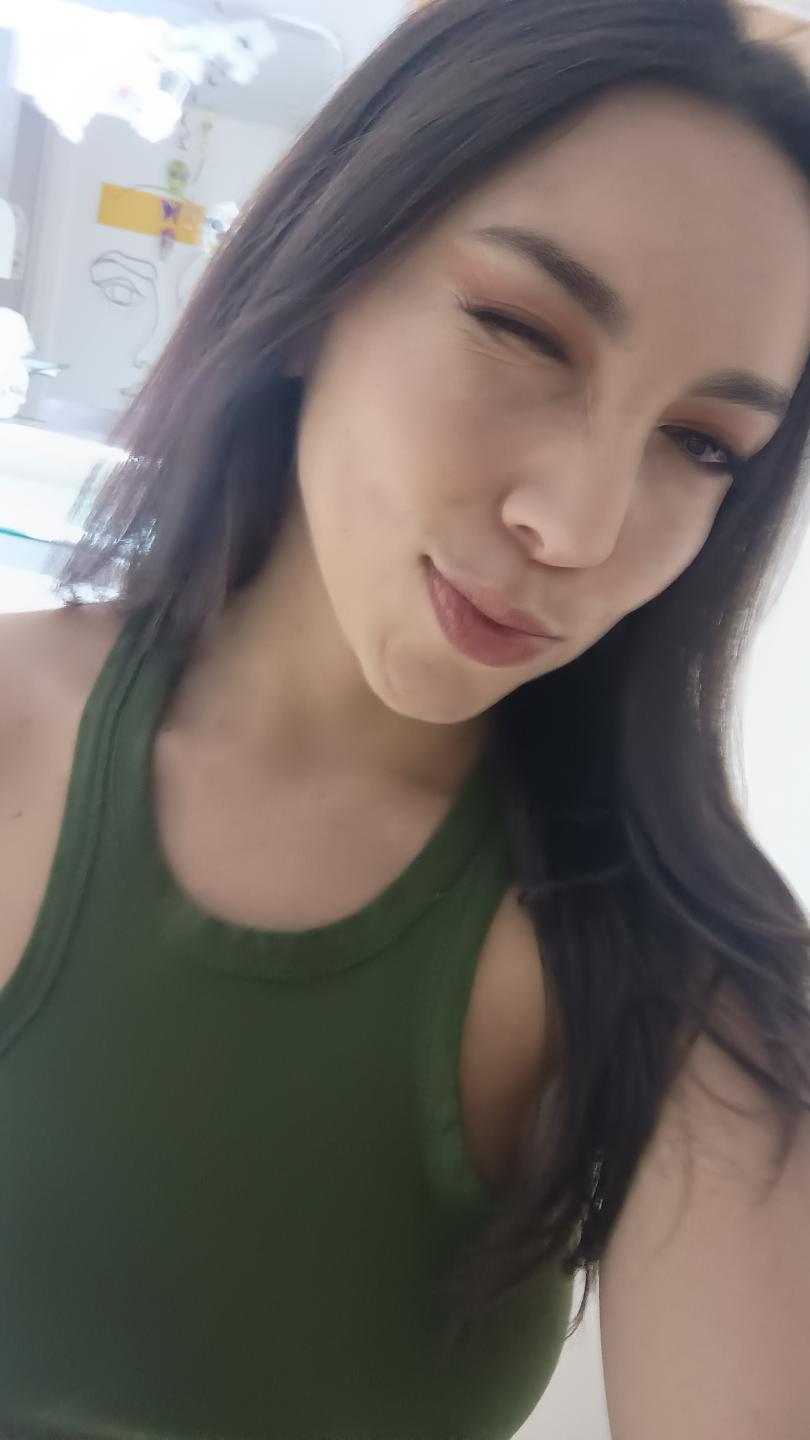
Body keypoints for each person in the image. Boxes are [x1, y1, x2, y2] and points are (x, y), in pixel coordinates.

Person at [1, 0, 810, 1436]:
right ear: (321, 277)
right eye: (521, 329)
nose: (580, 526)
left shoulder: (687, 971)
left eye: (701, 443)